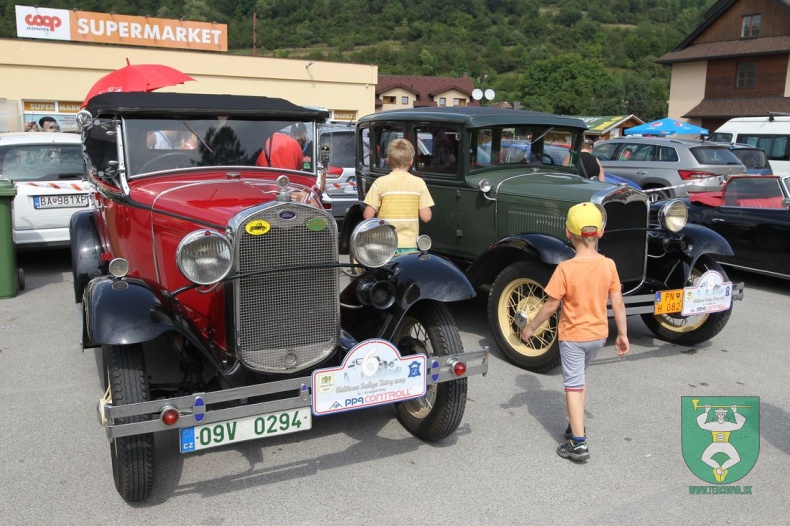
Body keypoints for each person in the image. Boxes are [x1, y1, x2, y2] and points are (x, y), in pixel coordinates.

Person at [520, 202, 629, 462]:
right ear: (600, 232)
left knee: (572, 385)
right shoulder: (609, 265)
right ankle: (575, 425)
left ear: (568, 234)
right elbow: (618, 302)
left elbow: (550, 306)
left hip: (573, 337)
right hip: (598, 336)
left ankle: (578, 443)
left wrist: (531, 328)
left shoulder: (565, 269)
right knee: (579, 380)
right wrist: (622, 334)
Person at [362, 138, 434, 253]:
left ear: (388, 160)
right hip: (409, 244)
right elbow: (426, 217)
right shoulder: (419, 183)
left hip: (384, 242)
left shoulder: (380, 182)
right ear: (411, 161)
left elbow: (367, 215)